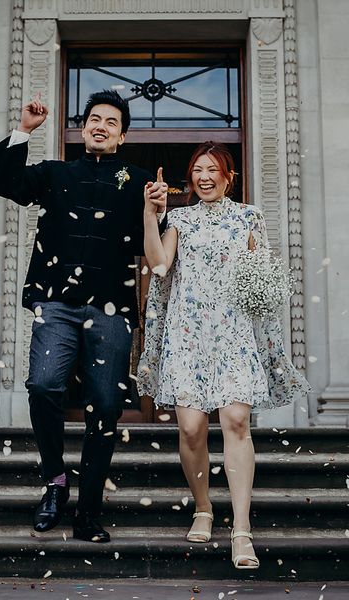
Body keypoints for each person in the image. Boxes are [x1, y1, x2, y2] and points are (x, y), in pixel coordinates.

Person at [0, 90, 168, 543]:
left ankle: (88, 510)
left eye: (111, 121)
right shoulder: (56, 173)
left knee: (106, 407)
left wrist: (156, 211)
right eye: (94, 119)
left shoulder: (140, 179)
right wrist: (24, 130)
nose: (101, 126)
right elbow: (7, 184)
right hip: (57, 303)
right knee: (43, 384)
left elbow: (158, 248)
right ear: (82, 128)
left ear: (122, 135)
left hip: (112, 310)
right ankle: (55, 482)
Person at [138, 142, 310, 568]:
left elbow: (261, 275)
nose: (205, 176)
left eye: (213, 169)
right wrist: (150, 214)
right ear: (190, 178)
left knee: (236, 421)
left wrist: (263, 290)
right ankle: (203, 507)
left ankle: (241, 529)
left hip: (233, 333)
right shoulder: (179, 218)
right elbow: (159, 266)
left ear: (228, 176)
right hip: (188, 334)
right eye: (198, 169)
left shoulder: (249, 217)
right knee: (193, 430)